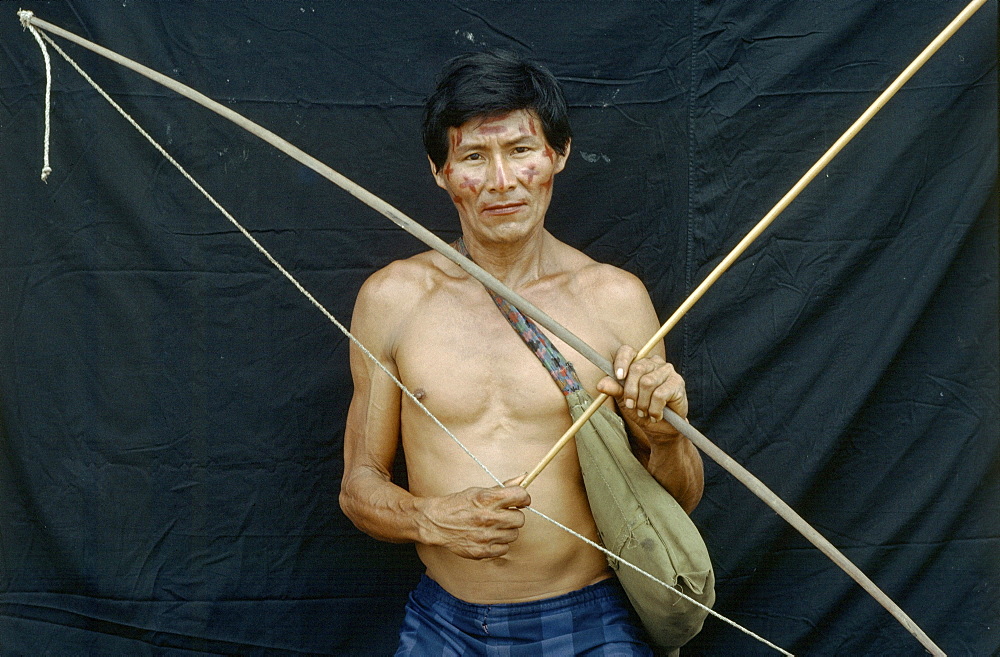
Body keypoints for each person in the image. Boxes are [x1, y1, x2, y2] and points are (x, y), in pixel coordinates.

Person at [340, 50, 704, 655]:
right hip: (444, 626)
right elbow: (359, 486)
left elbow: (680, 498)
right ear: (440, 170)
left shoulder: (613, 298)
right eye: (474, 157)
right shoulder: (393, 298)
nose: (502, 181)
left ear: (557, 155)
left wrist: (666, 438)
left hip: (591, 622)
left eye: (520, 151)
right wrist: (431, 518)